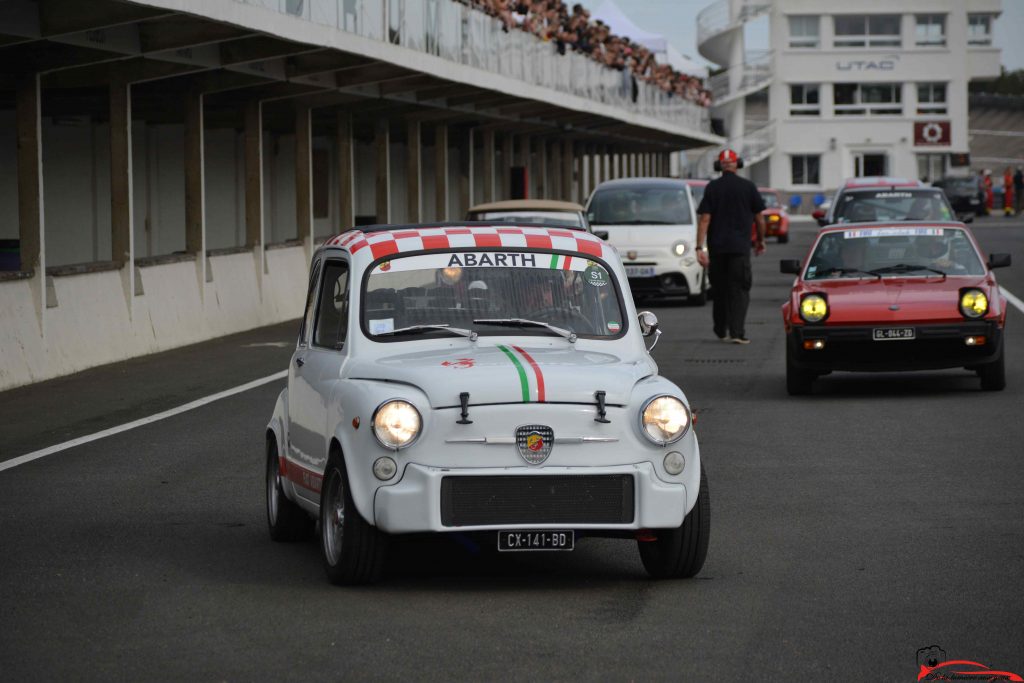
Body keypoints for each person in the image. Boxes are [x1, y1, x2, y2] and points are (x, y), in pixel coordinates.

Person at [695, 149, 766, 344]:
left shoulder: (712, 188)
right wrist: (760, 240)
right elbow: (760, 219)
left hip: (717, 250)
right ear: (738, 164)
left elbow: (704, 220)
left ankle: (720, 330)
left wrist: (699, 248)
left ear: (719, 166)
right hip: (739, 250)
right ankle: (737, 332)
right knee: (739, 290)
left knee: (719, 290)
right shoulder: (748, 187)